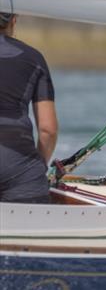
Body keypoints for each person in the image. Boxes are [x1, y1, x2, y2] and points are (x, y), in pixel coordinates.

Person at [0, 13, 58, 203]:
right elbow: (48, 130)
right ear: (13, 21)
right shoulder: (34, 58)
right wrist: (37, 168)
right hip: (22, 171)